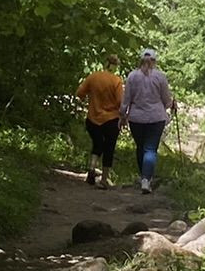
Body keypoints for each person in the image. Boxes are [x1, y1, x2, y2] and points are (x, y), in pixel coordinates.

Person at [119, 48, 177, 194]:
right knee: (150, 149)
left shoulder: (132, 76)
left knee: (141, 147)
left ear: (140, 60)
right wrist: (171, 104)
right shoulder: (160, 77)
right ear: (154, 61)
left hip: (136, 118)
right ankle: (146, 179)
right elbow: (166, 100)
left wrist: (122, 115)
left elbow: (126, 99)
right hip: (156, 118)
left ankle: (144, 177)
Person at [75, 56, 125, 188]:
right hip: (111, 119)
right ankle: (104, 179)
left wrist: (90, 100)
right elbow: (120, 102)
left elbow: (80, 93)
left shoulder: (93, 77)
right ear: (115, 66)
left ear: (105, 63)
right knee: (109, 148)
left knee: (97, 144)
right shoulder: (116, 81)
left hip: (92, 118)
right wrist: (124, 116)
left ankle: (91, 169)